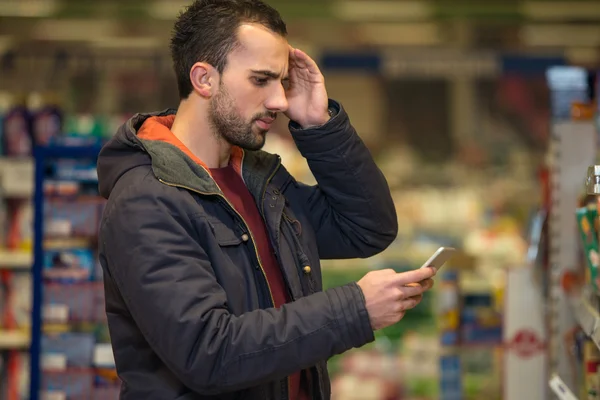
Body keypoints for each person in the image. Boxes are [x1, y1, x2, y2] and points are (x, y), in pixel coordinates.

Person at [96, 0, 436, 399]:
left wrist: (318, 124)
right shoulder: (147, 200)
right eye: (261, 80)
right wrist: (354, 310)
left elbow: (367, 229)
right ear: (204, 79)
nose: (278, 101)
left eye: (281, 81)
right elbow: (209, 352)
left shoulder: (258, 179)